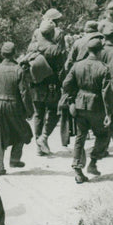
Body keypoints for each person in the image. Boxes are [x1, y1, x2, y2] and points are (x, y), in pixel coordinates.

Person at [61, 37, 113, 183]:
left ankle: (77, 169)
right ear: (100, 51)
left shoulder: (77, 65)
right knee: (103, 134)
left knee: (80, 136)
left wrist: (72, 98)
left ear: (88, 50)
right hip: (96, 106)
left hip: (79, 105)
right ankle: (93, 162)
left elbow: (66, 84)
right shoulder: (104, 68)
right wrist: (108, 113)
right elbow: (106, 92)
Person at [0, 42, 34, 176]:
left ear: (2, 54)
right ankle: (14, 158)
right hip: (14, 105)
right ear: (14, 54)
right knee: (23, 131)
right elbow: (24, 93)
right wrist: (29, 110)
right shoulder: (18, 70)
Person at [28, 20, 66, 156]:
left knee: (38, 114)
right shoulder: (54, 49)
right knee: (54, 111)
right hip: (51, 85)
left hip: (34, 85)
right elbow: (62, 67)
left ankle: (39, 147)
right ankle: (43, 137)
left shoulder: (33, 46)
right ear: (51, 34)